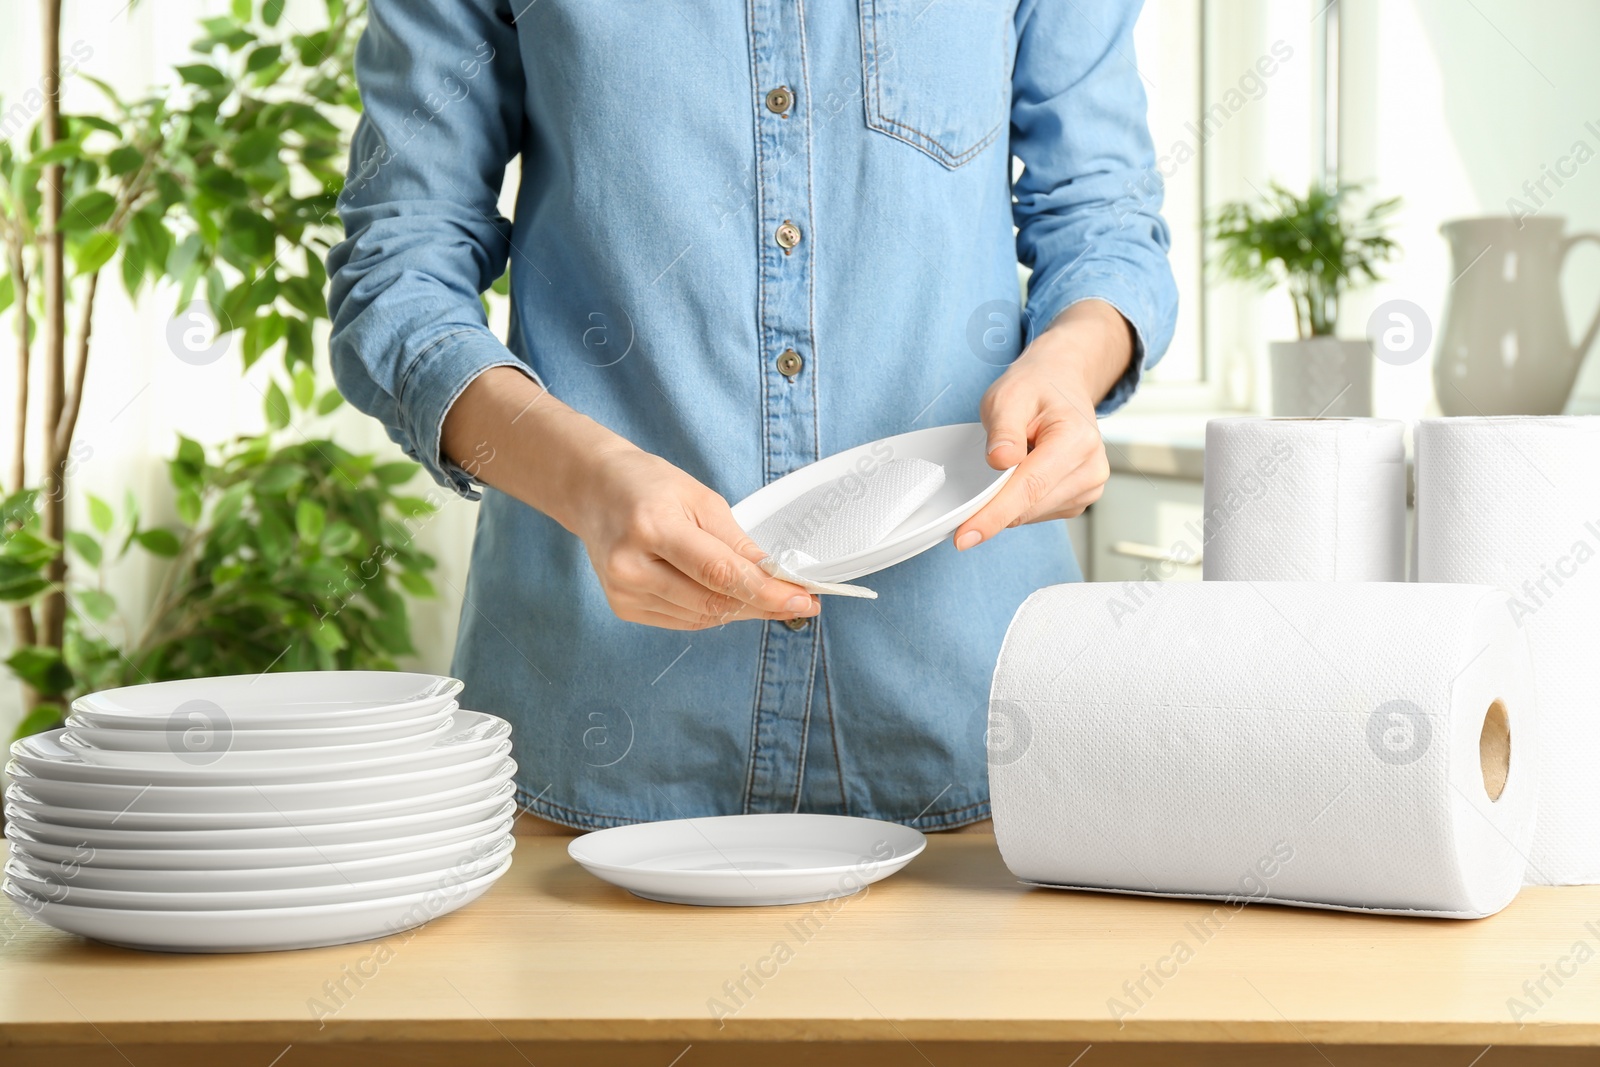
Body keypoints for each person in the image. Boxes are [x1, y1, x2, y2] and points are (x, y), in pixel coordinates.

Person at [327, 0, 1177, 834]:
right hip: (598, 739)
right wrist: (586, 481)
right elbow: (397, 272)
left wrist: (1068, 368)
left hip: (982, 727)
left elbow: (1104, 218)